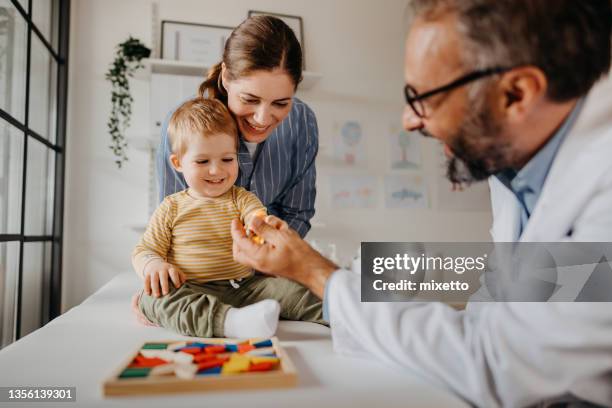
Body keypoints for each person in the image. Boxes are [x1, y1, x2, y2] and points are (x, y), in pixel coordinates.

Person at [230, 0, 612, 406]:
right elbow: (495, 304)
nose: (409, 121)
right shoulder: (517, 176)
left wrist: (317, 272)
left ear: (517, 94)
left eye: (423, 97)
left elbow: (507, 364)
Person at [132, 97, 325, 339]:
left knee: (298, 291)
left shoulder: (241, 199)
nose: (217, 170)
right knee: (152, 299)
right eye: (203, 161)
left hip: (244, 287)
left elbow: (257, 217)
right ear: (178, 163)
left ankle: (343, 315)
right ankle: (230, 323)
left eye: (227, 159)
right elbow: (145, 250)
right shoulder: (170, 207)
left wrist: (263, 229)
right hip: (189, 288)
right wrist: (153, 266)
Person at [157, 15, 318, 242]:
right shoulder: (182, 127)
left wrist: (265, 258)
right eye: (250, 99)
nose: (262, 119)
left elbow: (297, 213)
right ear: (226, 78)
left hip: (271, 261)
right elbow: (171, 219)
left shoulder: (301, 120)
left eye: (281, 103)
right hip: (200, 264)